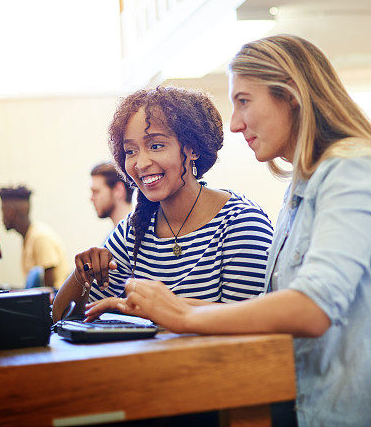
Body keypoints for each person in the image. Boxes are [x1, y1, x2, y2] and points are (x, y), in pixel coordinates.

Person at [86, 35, 371, 426]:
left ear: (291, 96)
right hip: (306, 402)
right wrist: (158, 310)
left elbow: (312, 309)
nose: (233, 123)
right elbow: (266, 310)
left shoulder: (353, 171)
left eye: (243, 101)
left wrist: (182, 316)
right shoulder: (301, 187)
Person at [52, 86, 273, 322]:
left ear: (193, 149)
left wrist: (130, 306)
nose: (141, 163)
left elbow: (250, 324)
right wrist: (82, 274)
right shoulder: (134, 231)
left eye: (156, 146)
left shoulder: (241, 223)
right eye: (130, 151)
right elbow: (60, 318)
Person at [0, 185, 70, 289]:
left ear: (10, 212)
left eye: (3, 212)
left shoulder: (40, 237)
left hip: (54, 302)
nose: (2, 218)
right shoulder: (28, 237)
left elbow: (48, 290)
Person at [90, 161, 134, 227]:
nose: (91, 199)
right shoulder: (115, 236)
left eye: (96, 192)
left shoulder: (141, 234)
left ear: (118, 190)